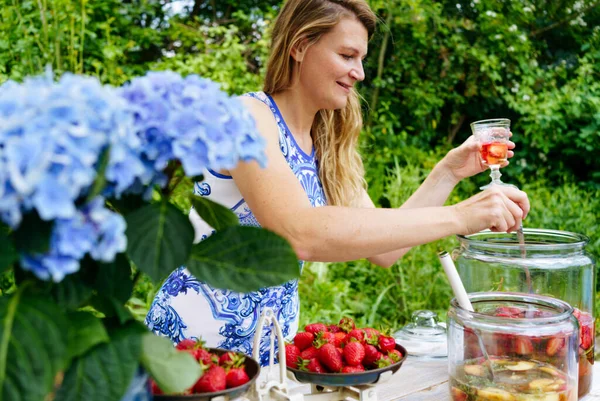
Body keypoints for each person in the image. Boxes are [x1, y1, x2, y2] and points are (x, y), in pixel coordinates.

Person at [145, 0, 529, 365]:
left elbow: (385, 251)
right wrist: (462, 216)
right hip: (189, 350)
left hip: (266, 359)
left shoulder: (325, 145)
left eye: (361, 59)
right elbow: (298, 233)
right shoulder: (246, 118)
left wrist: (448, 173)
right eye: (347, 56)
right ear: (299, 47)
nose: (359, 72)